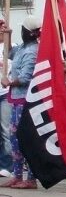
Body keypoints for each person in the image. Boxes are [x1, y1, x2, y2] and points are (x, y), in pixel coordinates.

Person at [0, 15, 40, 190]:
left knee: (27, 138)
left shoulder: (33, 51)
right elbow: (8, 53)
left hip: (26, 99)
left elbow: (26, 77)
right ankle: (17, 175)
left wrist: (10, 82)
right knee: (14, 138)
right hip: (16, 98)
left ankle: (31, 178)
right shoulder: (23, 47)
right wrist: (7, 36)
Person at [0, 18, 13, 178]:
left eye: (2, 25)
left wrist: (9, 36)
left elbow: (11, 52)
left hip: (5, 94)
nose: (1, 28)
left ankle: (8, 165)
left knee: (6, 131)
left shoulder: (11, 47)